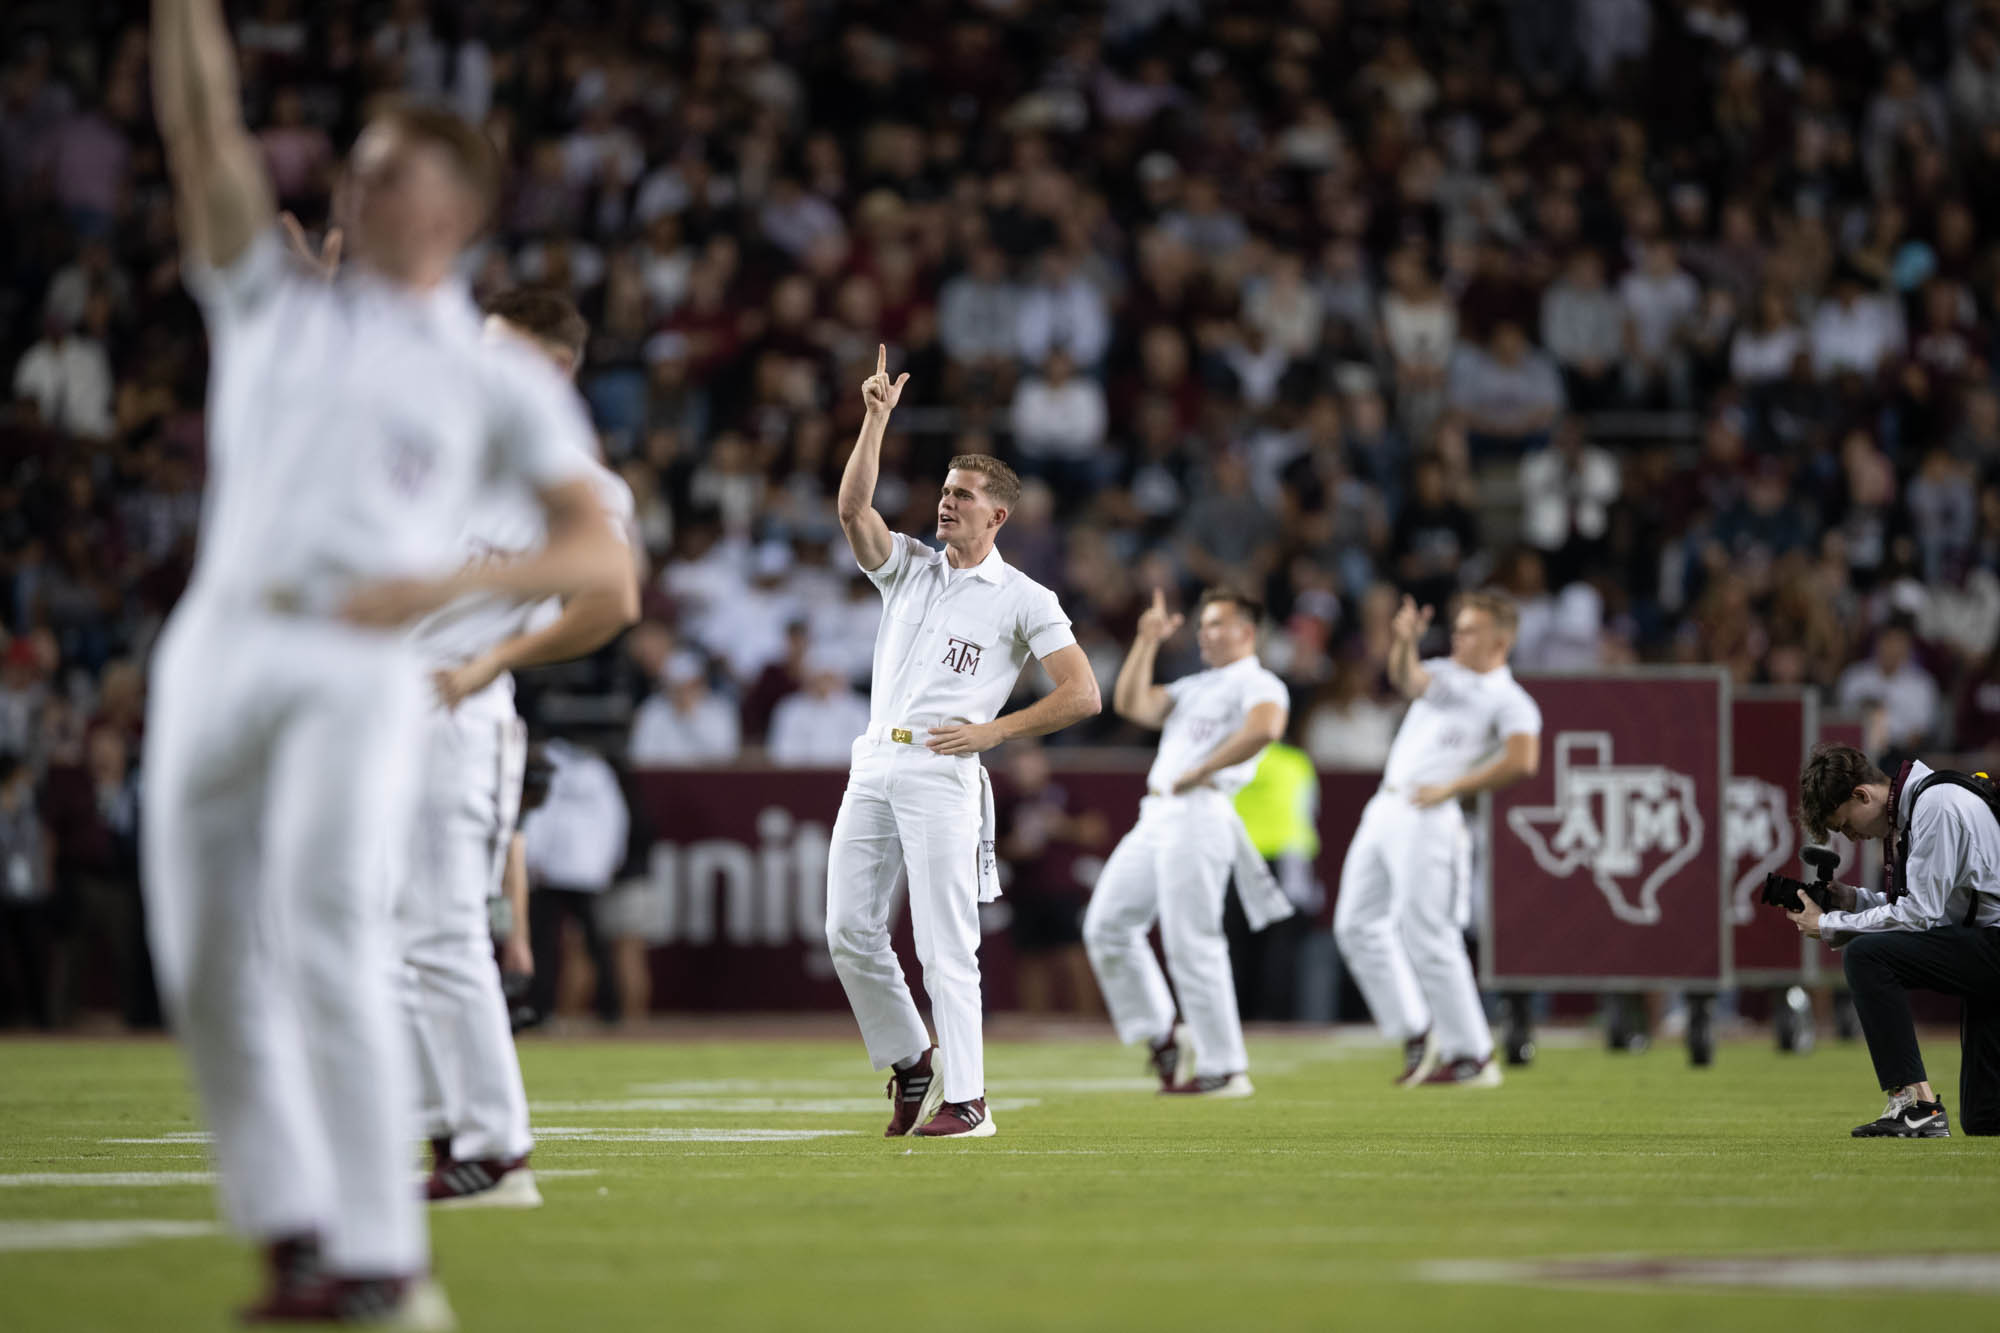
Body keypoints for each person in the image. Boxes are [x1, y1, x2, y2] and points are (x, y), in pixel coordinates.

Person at [141, 2, 631, 1321]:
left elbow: (602, 561)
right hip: (222, 637)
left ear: (459, 209)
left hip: (362, 662)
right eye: (353, 161)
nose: (356, 180)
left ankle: (378, 1261)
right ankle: (293, 1229)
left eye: (390, 167)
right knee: (197, 958)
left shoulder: (498, 377)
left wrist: (447, 584)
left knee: (338, 935)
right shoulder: (272, 300)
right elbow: (202, 131)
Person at [398, 287, 641, 1209]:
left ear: (556, 368)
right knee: (391, 932)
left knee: (445, 927)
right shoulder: (460, 460)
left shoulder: (571, 477)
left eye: (506, 350)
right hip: (390, 701)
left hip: (459, 708)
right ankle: (454, 1135)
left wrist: (493, 657)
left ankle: (495, 1149)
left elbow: (612, 601)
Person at [826, 346, 1101, 1139]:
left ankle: (970, 1099)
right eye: (945, 491)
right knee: (846, 929)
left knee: (947, 941)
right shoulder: (909, 565)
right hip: (876, 755)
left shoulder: (1025, 596)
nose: (946, 504)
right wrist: (874, 420)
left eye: (963, 496)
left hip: (945, 768)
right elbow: (852, 511)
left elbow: (1082, 692)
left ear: (998, 515)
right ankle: (913, 1056)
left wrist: (995, 732)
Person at [1084, 587, 1292, 1096]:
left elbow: (1266, 727)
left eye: (1217, 623)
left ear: (1247, 631)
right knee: (1106, 926)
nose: (1205, 632)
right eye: (1203, 624)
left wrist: (1204, 767)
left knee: (1191, 939)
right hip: (1157, 813)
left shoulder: (1260, 682)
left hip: (1201, 812)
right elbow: (1132, 702)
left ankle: (1224, 1067)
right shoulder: (1196, 685)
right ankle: (1161, 1033)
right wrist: (1146, 641)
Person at [1334, 590, 1542, 1088]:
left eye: (1470, 630)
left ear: (1501, 640)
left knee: (1430, 934)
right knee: (1356, 925)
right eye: (1458, 627)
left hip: (1431, 815)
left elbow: (1523, 760)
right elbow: (1406, 677)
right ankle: (1416, 1029)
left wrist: (1455, 786)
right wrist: (1404, 641)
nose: (1458, 636)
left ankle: (1472, 1054)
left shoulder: (1510, 699)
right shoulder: (1446, 674)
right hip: (1387, 804)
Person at [1791, 744, 2000, 1137]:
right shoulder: (1929, 799)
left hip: (1992, 943)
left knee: (1867, 956)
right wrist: (1851, 901)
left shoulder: (1935, 806)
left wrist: (1832, 924)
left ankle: (1917, 1104)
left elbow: (1919, 915)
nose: (1852, 836)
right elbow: (1932, 907)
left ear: (1862, 795)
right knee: (1987, 1118)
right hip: (1987, 945)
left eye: (1845, 824)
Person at [521, 738, 630, 1028]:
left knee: (563, 944)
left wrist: (533, 857)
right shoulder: (596, 771)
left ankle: (602, 1010)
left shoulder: (570, 768)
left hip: (563, 871)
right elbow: (616, 820)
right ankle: (603, 1011)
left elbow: (539, 815)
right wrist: (605, 864)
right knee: (574, 944)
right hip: (571, 871)